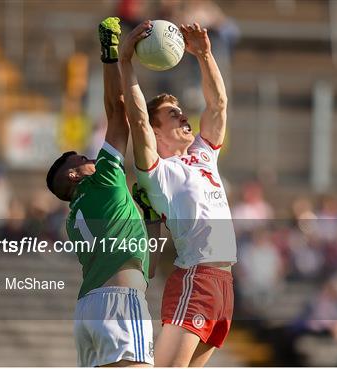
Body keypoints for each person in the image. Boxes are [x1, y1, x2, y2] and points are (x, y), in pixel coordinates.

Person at [120, 20, 236, 366]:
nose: (183, 116)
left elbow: (218, 106)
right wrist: (125, 63)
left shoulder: (202, 153)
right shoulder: (159, 173)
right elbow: (138, 121)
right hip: (196, 279)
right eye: (173, 115)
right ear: (156, 132)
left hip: (224, 286)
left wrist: (204, 55)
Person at [46, 17, 153, 367]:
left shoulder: (75, 217)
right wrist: (113, 57)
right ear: (75, 175)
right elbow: (118, 112)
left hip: (89, 307)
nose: (95, 157)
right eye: (85, 159)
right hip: (119, 301)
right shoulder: (102, 181)